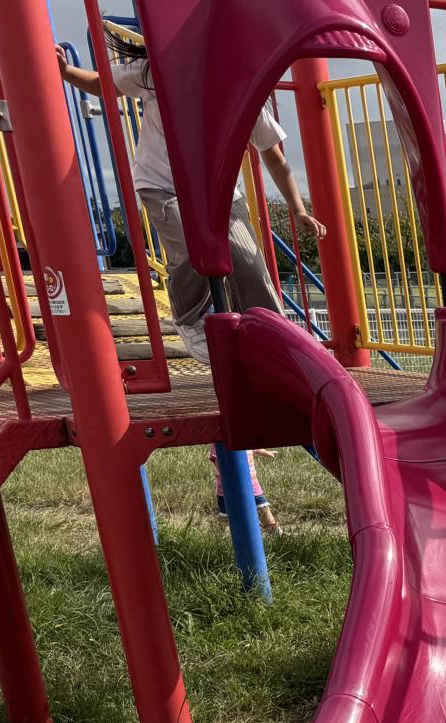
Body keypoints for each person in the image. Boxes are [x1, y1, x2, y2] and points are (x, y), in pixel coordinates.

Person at [60, 21, 328, 533]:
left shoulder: (244, 89)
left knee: (248, 262)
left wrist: (296, 207)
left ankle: (274, 343)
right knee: (200, 251)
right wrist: (64, 71)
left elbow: (273, 154)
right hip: (164, 188)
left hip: (223, 195)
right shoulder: (156, 74)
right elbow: (103, 84)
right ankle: (190, 318)